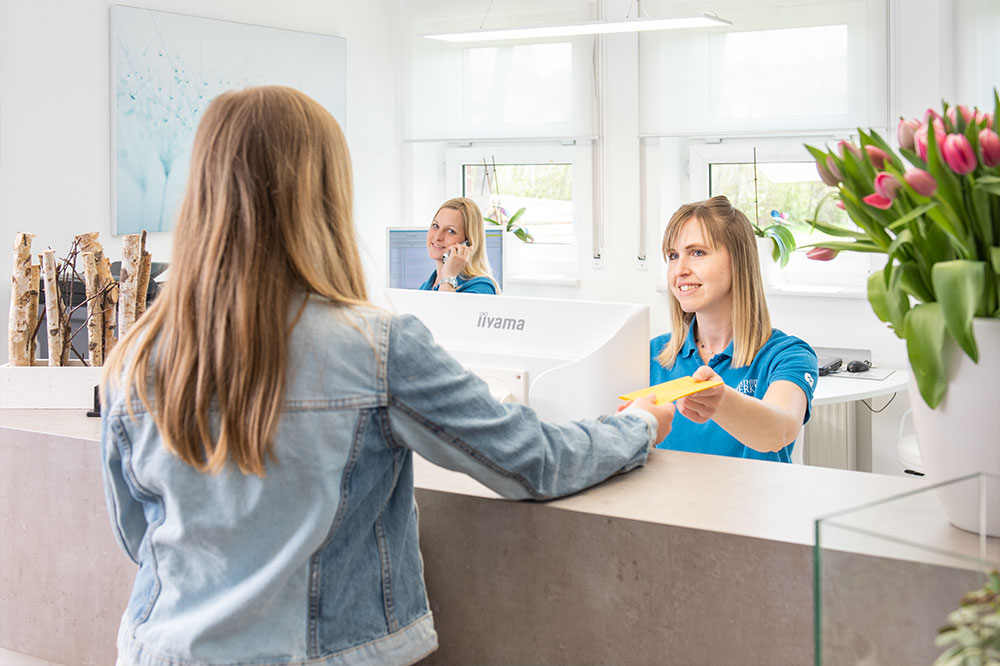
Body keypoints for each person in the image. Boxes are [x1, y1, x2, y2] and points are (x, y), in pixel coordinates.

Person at [99, 86, 675, 666]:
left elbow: (140, 537)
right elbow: (532, 460)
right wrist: (638, 426)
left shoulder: (137, 356)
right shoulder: (374, 348)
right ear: (325, 196)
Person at [648, 195, 818, 463]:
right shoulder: (652, 354)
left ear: (738, 260)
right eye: (673, 256)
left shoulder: (787, 355)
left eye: (697, 253)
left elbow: (781, 430)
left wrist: (722, 402)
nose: (680, 270)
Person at [418, 196, 499, 293]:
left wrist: (449, 277)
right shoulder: (425, 287)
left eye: (451, 231)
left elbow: (443, 304)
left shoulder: (481, 287)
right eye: (435, 226)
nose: (437, 237)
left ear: (468, 243)